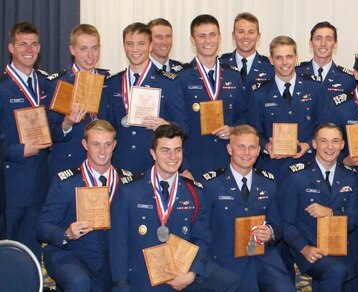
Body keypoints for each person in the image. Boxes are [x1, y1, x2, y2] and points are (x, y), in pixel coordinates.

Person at [109, 125, 240, 291]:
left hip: (182, 269)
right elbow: (118, 244)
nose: (173, 157)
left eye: (177, 150)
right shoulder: (129, 190)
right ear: (153, 153)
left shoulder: (195, 193)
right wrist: (121, 286)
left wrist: (191, 274)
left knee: (231, 282)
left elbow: (201, 239)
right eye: (165, 150)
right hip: (143, 272)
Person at [37, 120, 135, 291]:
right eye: (96, 144)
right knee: (79, 281)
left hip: (113, 260)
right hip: (72, 256)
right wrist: (67, 234)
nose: (102, 151)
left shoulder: (128, 183)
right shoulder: (65, 182)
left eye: (107, 144)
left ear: (114, 145)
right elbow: (42, 228)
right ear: (85, 145)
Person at [201, 125, 295, 292]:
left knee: (285, 289)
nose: (246, 153)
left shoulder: (268, 182)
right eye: (241, 147)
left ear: (258, 151)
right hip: (226, 257)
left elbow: (277, 224)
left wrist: (270, 232)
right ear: (229, 149)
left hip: (262, 255)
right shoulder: (211, 184)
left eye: (252, 147)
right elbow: (202, 230)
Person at [280, 123, 358, 291]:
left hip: (342, 248)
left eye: (335, 141)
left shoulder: (351, 177)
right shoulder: (297, 176)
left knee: (349, 275)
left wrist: (330, 213)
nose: (330, 147)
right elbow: (286, 223)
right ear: (315, 144)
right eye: (323, 141)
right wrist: (304, 248)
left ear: (342, 145)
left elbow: (353, 221)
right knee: (335, 271)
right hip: (310, 248)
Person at [99, 22, 187, 175]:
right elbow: (104, 125)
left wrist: (166, 125)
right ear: (124, 46)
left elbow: (185, 127)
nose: (135, 49)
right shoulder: (112, 83)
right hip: (120, 164)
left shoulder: (168, 83)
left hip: (154, 165)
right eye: (130, 44)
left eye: (141, 44)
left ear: (150, 45)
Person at [0, 22, 54, 257]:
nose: (29, 50)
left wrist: (67, 125)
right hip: (10, 187)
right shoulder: (2, 87)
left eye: (34, 44)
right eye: (23, 44)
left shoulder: (46, 84)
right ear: (11, 47)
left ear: (39, 48)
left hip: (40, 183)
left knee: (31, 253)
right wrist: (18, 151)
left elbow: (53, 129)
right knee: (8, 254)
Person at [176, 14, 246, 179]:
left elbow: (244, 116)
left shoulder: (233, 75)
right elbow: (177, 127)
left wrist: (233, 130)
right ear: (192, 40)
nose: (208, 41)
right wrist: (183, 167)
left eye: (212, 35)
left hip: (229, 162)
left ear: (220, 38)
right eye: (202, 36)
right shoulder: (181, 77)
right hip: (194, 164)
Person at [247, 35, 325, 183]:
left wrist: (309, 144)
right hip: (272, 168)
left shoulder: (315, 88)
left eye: (289, 57)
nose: (284, 62)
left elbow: (324, 124)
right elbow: (254, 130)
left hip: (307, 166)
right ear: (271, 60)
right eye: (279, 58)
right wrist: (266, 145)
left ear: (296, 57)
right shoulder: (259, 93)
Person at [47, 24, 111, 178]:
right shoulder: (57, 84)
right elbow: (48, 133)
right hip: (68, 165)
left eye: (94, 48)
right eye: (83, 49)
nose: (90, 55)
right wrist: (67, 124)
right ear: (72, 50)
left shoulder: (109, 82)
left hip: (102, 165)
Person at [296, 21, 357, 99]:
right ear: (311, 43)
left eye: (328, 39)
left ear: (335, 44)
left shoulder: (348, 79)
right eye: (318, 39)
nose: (323, 44)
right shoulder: (296, 73)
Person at [219, 12, 275, 84]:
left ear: (258, 36)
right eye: (241, 32)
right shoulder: (219, 63)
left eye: (251, 32)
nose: (246, 36)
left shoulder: (270, 66)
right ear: (233, 35)